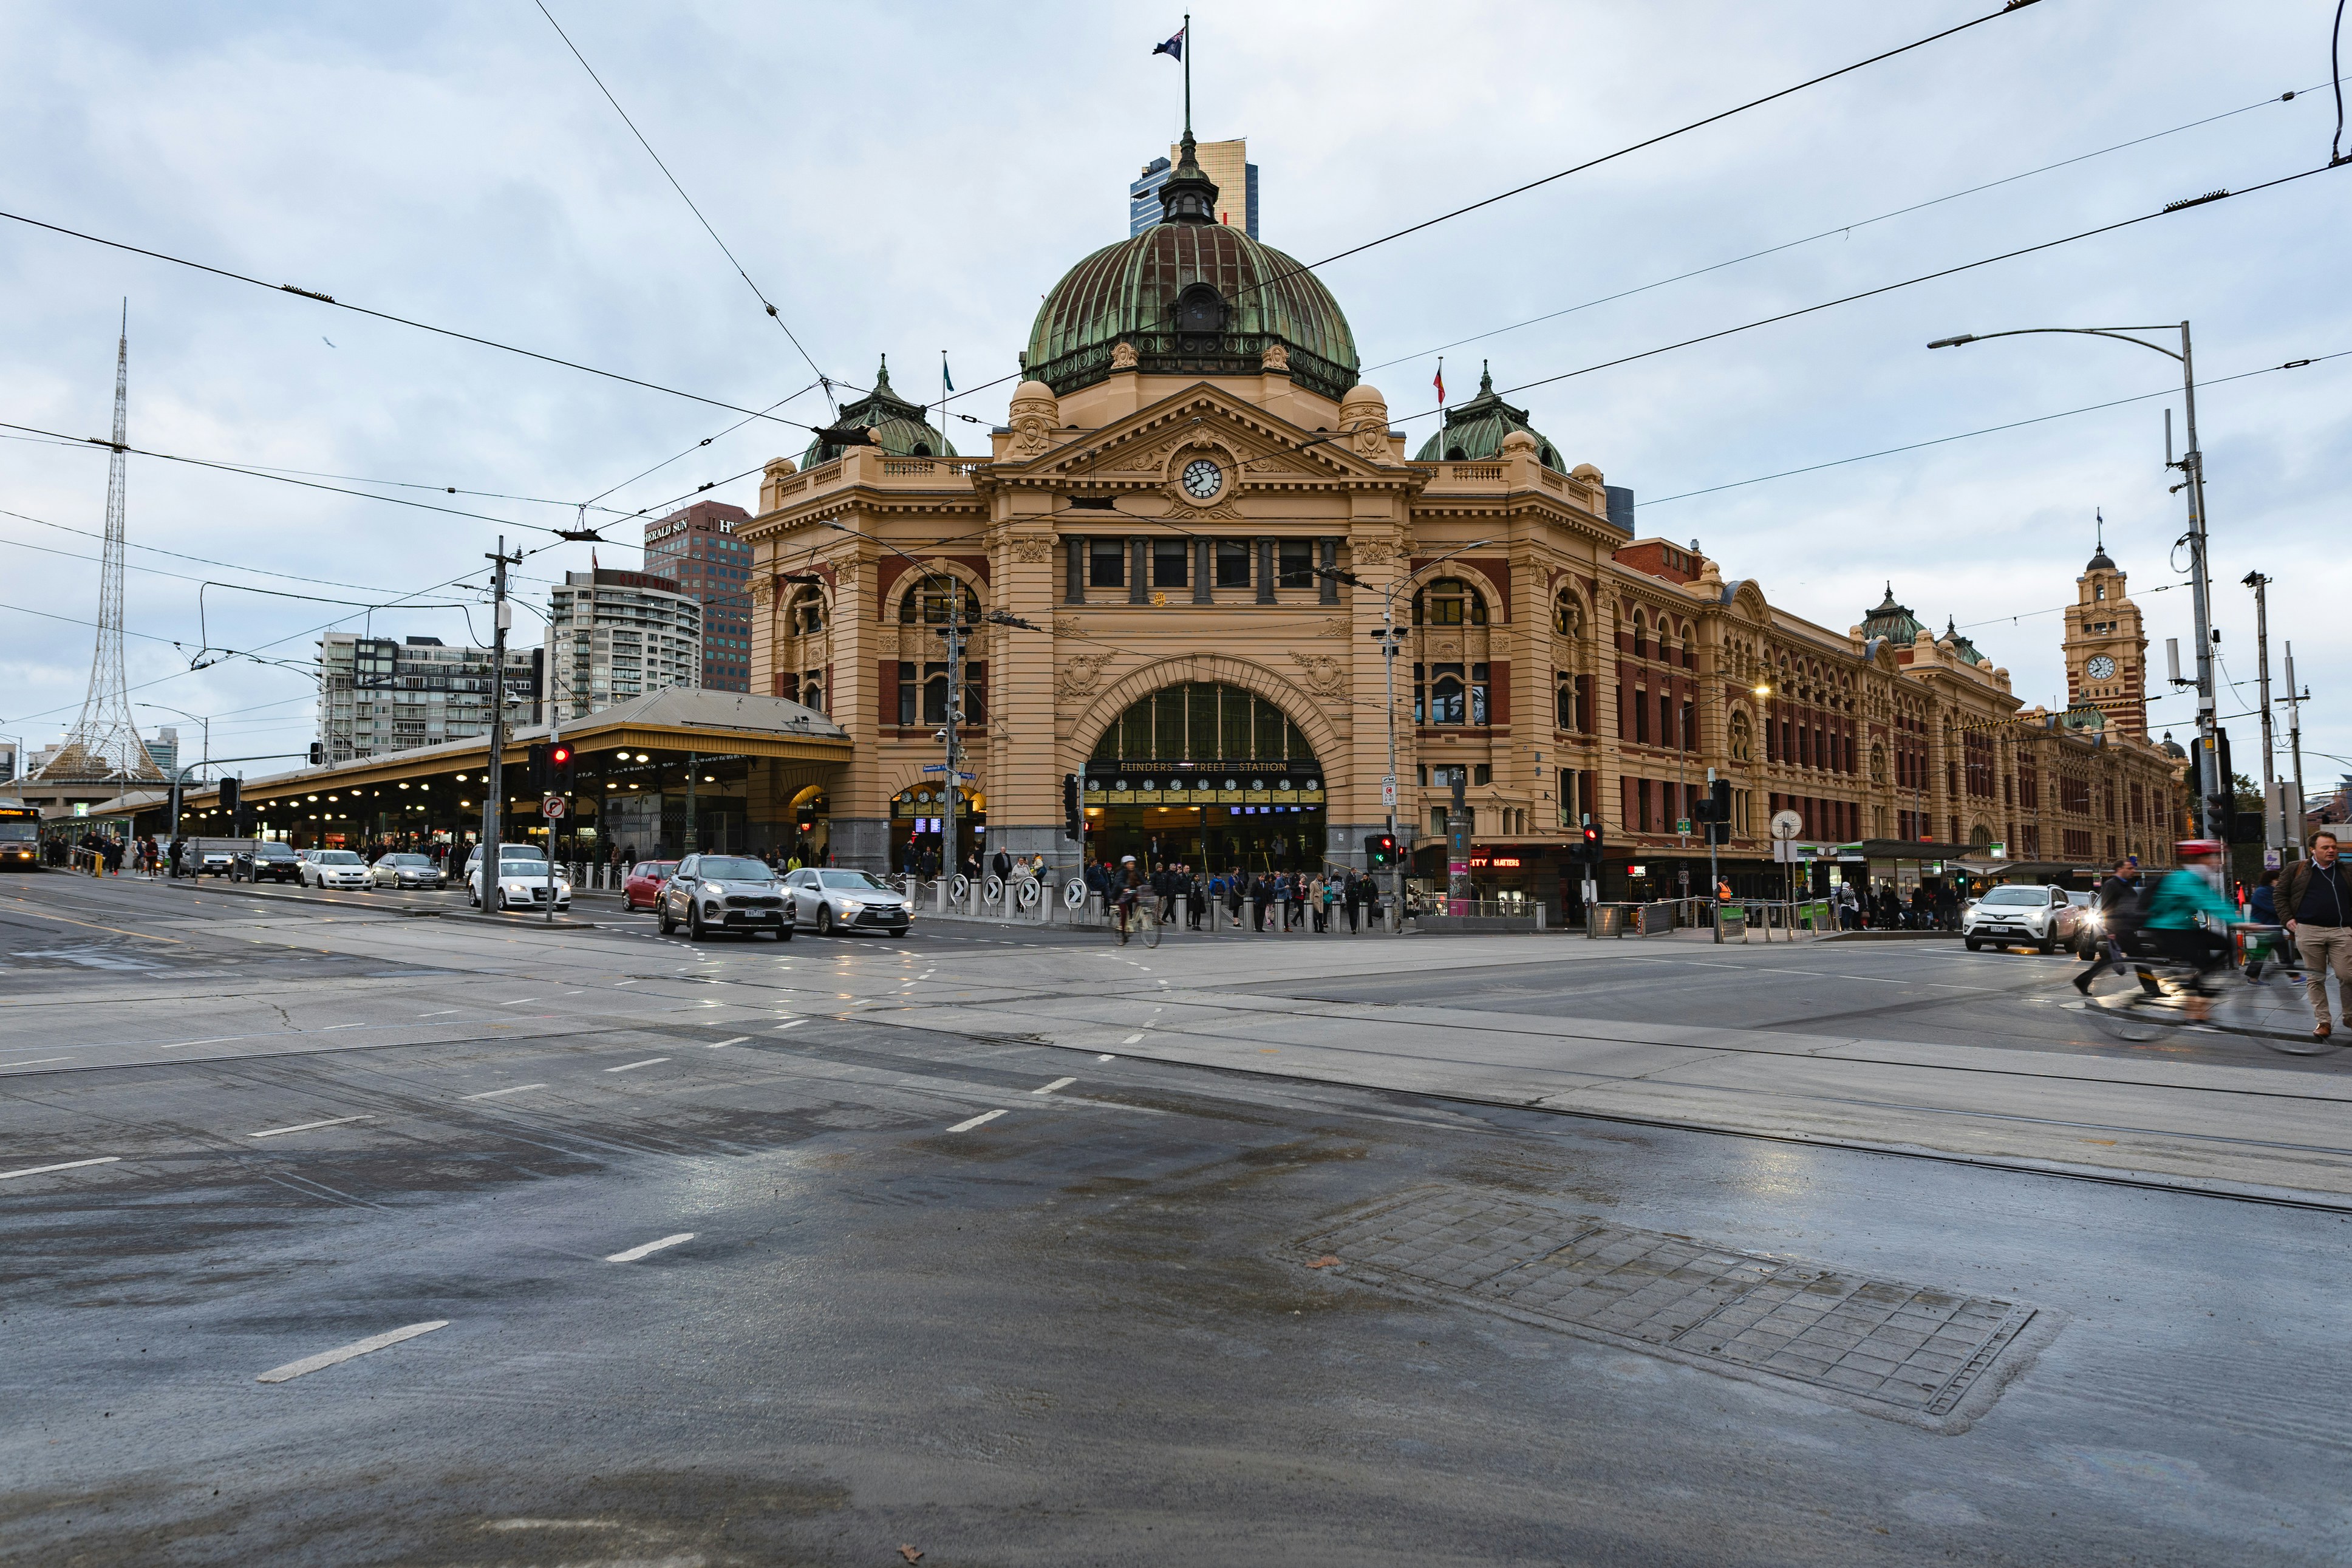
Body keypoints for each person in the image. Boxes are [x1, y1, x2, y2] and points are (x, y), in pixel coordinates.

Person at [2137, 840, 2242, 1021]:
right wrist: (2244, 923)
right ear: (2200, 859)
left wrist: (2241, 920)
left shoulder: (2198, 877)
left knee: (2225, 945)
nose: (2218, 861)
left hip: (2183, 928)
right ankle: (2196, 1010)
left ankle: (2195, 990)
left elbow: (2213, 901)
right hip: (2166, 930)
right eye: (2213, 857)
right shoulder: (2185, 878)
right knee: (2204, 963)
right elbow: (2208, 902)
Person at [2279, 827, 2352, 1041]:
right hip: (2308, 930)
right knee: (2315, 978)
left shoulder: (2346, 870)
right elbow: (2280, 895)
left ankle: (2349, 1016)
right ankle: (2324, 1021)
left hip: (2342, 930)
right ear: (2313, 850)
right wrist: (2287, 920)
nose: (2331, 851)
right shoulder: (2297, 868)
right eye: (2326, 847)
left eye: (2334, 847)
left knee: (2347, 975)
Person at [2072, 857, 2145, 996]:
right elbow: (2106, 908)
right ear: (2120, 869)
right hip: (2120, 930)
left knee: (2108, 960)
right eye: (2129, 868)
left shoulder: (2126, 885)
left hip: (2127, 929)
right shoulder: (2112, 885)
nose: (2133, 871)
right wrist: (2110, 930)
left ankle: (2082, 980)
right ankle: (2152, 989)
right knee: (2140, 960)